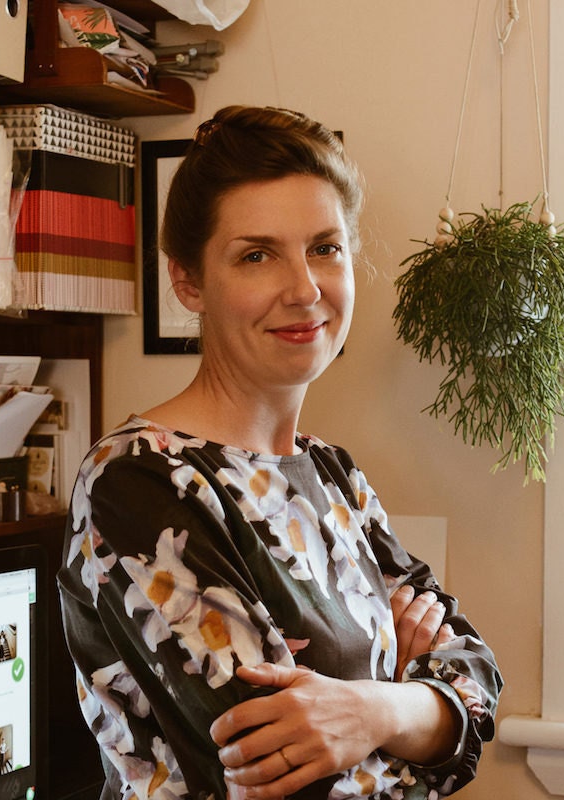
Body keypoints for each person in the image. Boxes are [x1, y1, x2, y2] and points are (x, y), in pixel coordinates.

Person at [58, 105, 503, 800]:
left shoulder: (335, 474)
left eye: (325, 247)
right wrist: (414, 699)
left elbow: (475, 681)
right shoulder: (139, 482)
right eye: (257, 255)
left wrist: (370, 710)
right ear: (189, 283)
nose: (304, 290)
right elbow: (278, 780)